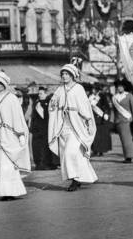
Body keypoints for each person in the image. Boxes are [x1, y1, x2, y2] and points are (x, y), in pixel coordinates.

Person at [47, 62, 98, 192]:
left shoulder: (78, 88)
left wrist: (88, 121)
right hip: (63, 126)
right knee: (70, 154)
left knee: (71, 152)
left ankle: (74, 180)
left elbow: (85, 106)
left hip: (77, 126)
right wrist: (53, 106)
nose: (64, 76)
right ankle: (84, 177)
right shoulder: (59, 89)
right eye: (63, 74)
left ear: (72, 75)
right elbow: (53, 104)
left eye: (67, 74)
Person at [0, 71, 30, 200]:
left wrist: (20, 134)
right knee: (0, 165)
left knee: (8, 165)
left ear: (4, 84)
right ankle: (5, 192)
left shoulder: (12, 98)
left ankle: (11, 191)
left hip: (10, 135)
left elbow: (17, 117)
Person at [29, 85, 58, 169]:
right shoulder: (36, 103)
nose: (39, 95)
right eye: (39, 93)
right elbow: (33, 117)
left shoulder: (49, 103)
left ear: (45, 94)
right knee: (38, 148)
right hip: (37, 130)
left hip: (46, 129)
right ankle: (40, 164)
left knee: (46, 147)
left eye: (41, 93)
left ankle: (48, 163)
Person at [112, 78, 133, 163]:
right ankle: (127, 156)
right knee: (123, 140)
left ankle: (130, 156)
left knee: (128, 140)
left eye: (121, 86)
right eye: (118, 86)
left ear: (124, 87)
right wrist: (111, 121)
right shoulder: (114, 97)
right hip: (119, 122)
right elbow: (113, 111)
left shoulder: (129, 96)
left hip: (128, 121)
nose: (119, 88)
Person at [89, 85, 113, 157]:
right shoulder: (89, 97)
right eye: (93, 89)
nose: (93, 90)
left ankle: (101, 151)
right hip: (92, 118)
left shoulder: (102, 96)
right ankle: (95, 150)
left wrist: (106, 114)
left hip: (101, 119)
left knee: (101, 136)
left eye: (95, 89)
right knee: (94, 135)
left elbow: (106, 106)